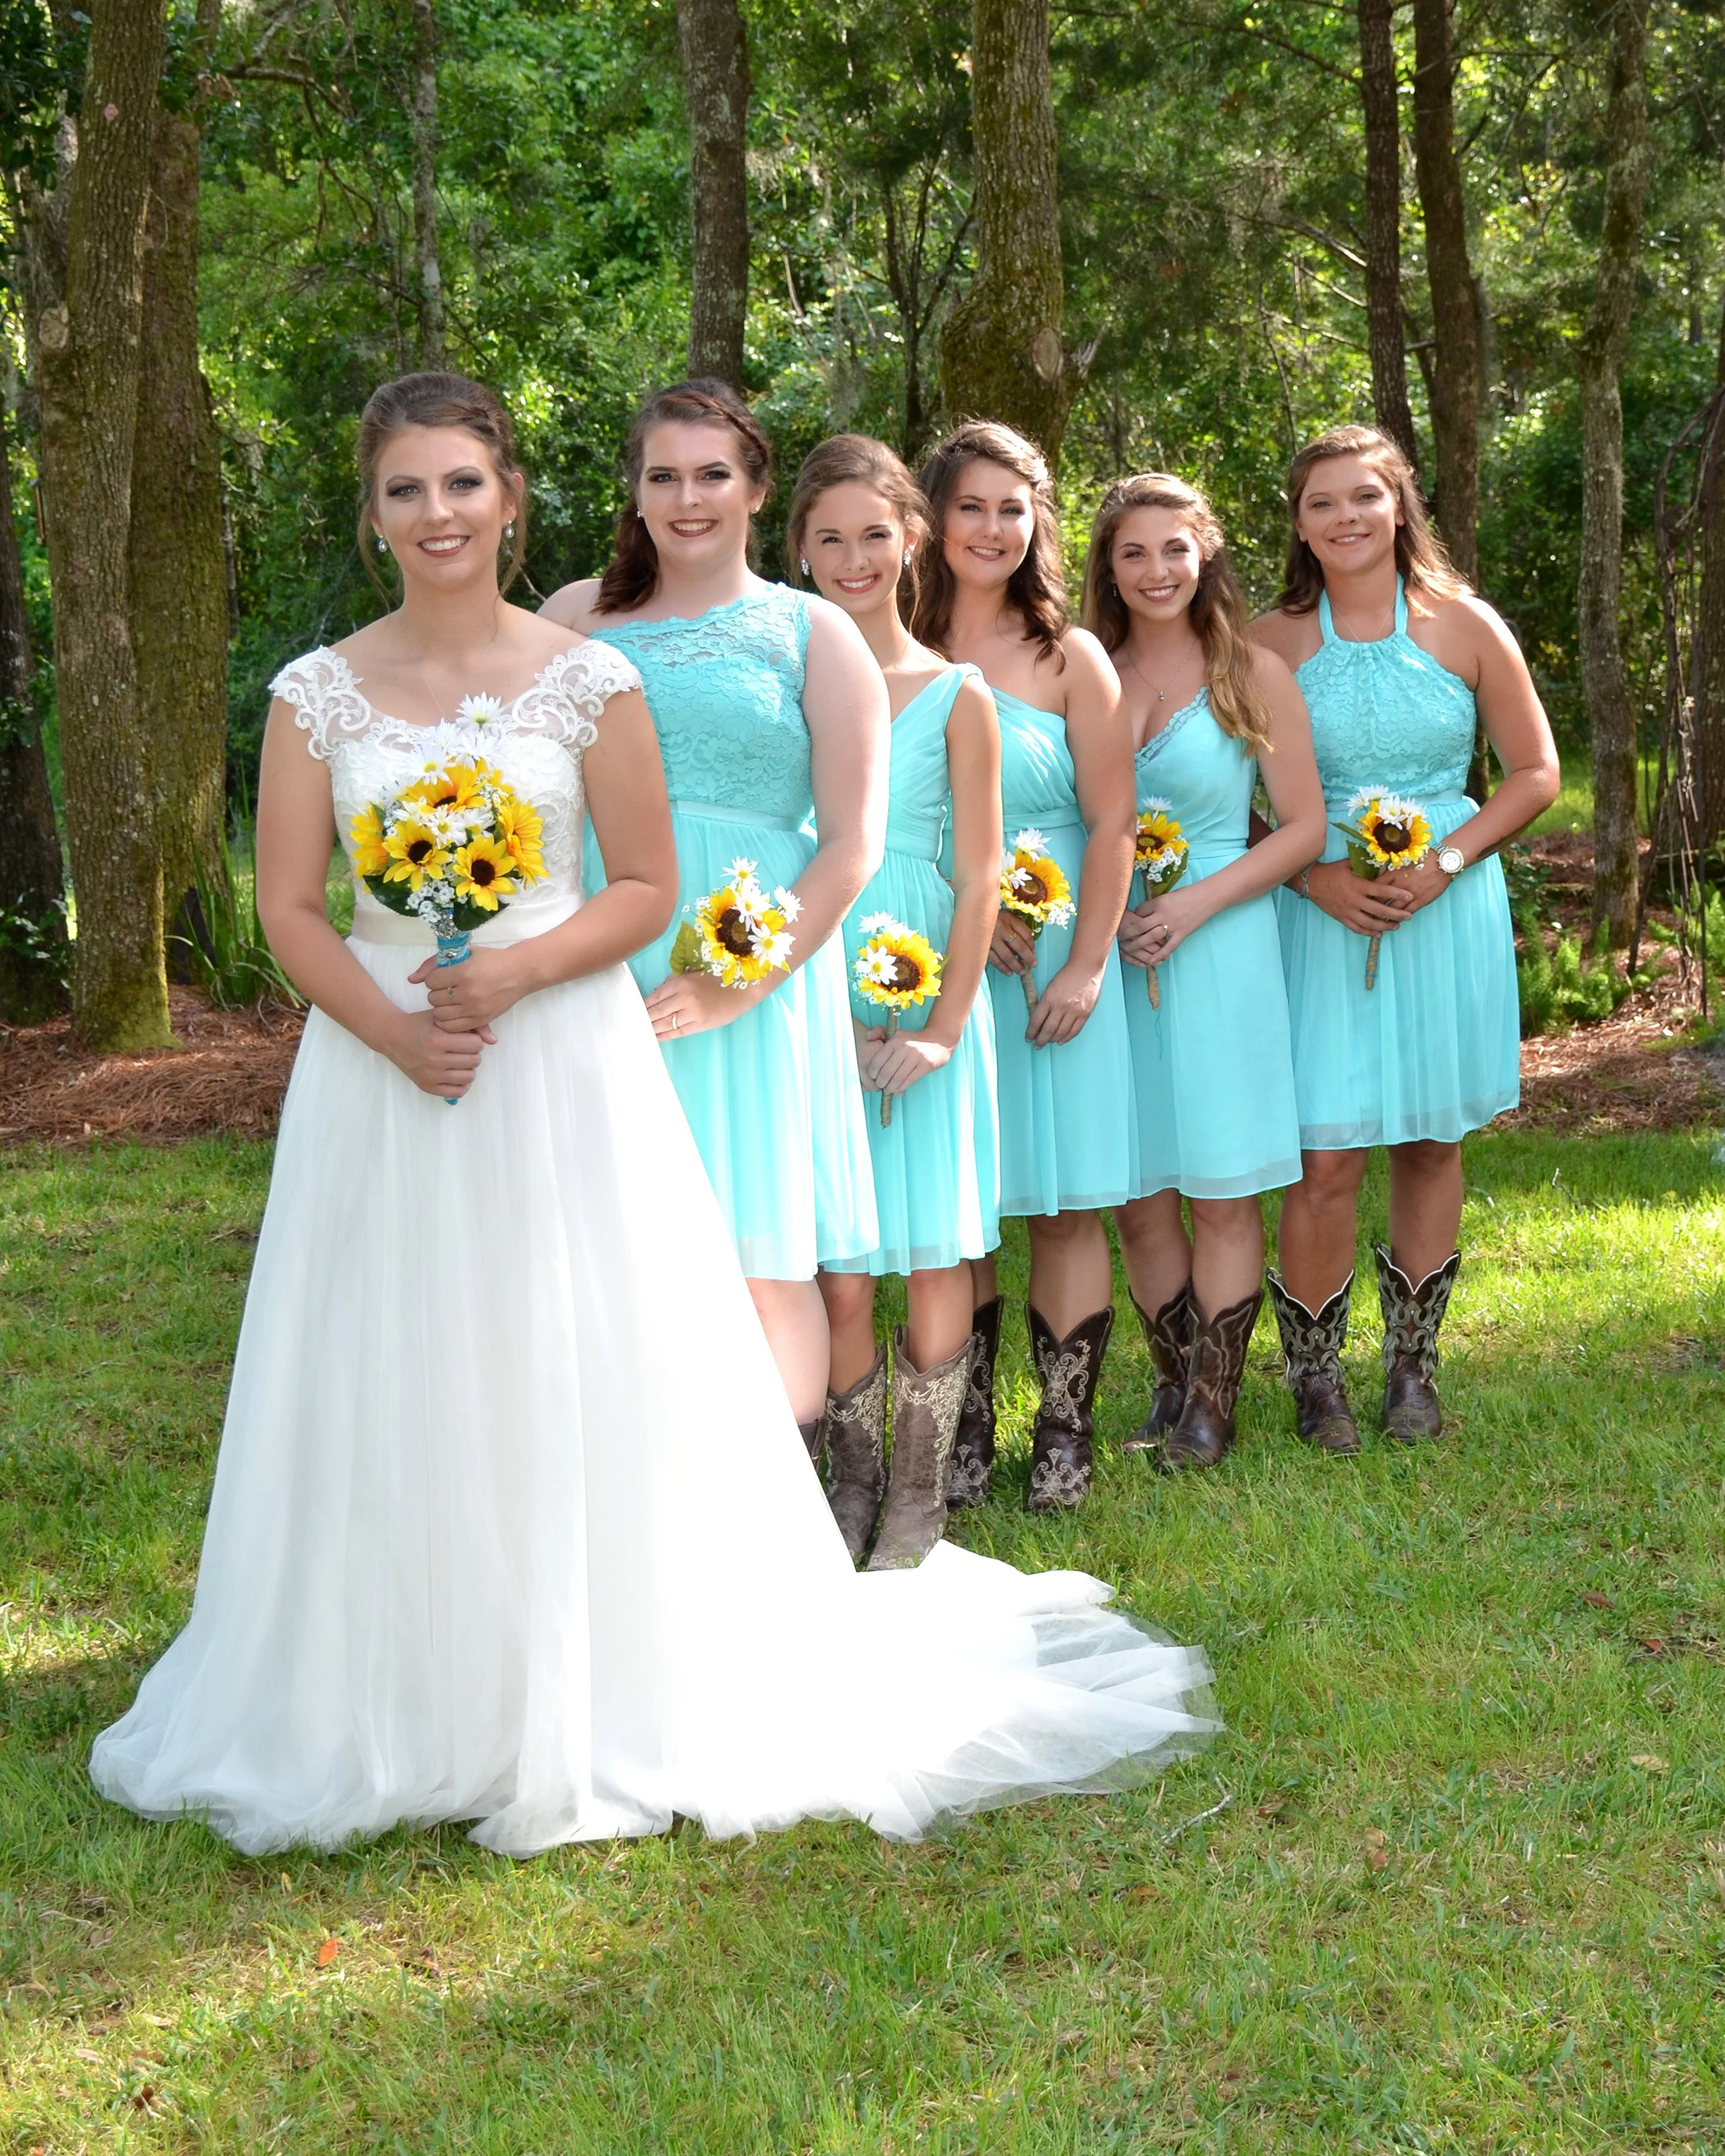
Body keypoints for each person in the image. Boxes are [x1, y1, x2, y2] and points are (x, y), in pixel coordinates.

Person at [88, 373, 1216, 1854]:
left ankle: (610, 1635)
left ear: (513, 496)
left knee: (600, 1323)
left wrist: (509, 982)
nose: (438, 514)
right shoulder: (332, 689)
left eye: (463, 485)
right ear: (373, 515)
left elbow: (645, 879)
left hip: (566, 1041)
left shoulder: (593, 677)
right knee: (391, 1331)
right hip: (377, 1070)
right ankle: (389, 1655)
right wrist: (395, 1025)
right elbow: (291, 903)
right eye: (407, 491)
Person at [540, 381, 885, 1451]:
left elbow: (851, 844)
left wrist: (742, 977)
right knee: (606, 1247)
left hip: (750, 957)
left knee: (758, 1251)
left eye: (713, 475)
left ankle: (782, 1513)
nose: (689, 499)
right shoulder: (570, 619)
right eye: (664, 476)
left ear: (755, 487)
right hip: (596, 944)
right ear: (635, 493)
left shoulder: (813, 631)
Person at [1252, 424, 1560, 1450]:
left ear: (1400, 505)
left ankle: (1413, 1371)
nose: (1345, 518)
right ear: (1298, 524)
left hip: (1445, 908)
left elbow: (1533, 773)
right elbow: (1201, 802)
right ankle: (1316, 1381)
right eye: (1321, 503)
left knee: (1432, 1139)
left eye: (1362, 498)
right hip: (1320, 908)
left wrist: (1447, 864)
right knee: (1324, 1156)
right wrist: (1313, 874)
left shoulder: (1465, 626)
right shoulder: (1271, 640)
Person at [788, 435, 1003, 1568]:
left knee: (928, 1241)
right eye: (828, 538)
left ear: (913, 538)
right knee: (839, 1253)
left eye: (875, 533)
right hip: (812, 971)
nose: (854, 557)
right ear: (800, 553)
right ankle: (849, 1481)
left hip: (924, 975)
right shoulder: (788, 680)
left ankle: (918, 1496)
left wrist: (943, 1026)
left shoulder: (959, 695)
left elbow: (981, 876)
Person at [916, 421, 1137, 1514]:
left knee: (1061, 1204)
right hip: (928, 951)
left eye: (1014, 509)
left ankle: (1063, 1433)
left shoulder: (1070, 656)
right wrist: (955, 908)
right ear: (934, 518)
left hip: (1050, 962)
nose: (993, 529)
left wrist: (1086, 963)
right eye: (972, 507)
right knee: (959, 1208)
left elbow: (1112, 823)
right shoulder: (889, 647)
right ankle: (962, 1428)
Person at [1083, 474, 1325, 1467]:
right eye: (1133, 553)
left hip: (1219, 944)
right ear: (1107, 565)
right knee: (1139, 1190)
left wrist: (1191, 903)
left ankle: (1215, 1406)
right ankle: (1171, 1381)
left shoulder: (1251, 669)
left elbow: (1305, 829)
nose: (1155, 571)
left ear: (1207, 553)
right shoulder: (1082, 667)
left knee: (1221, 1186)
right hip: (1105, 948)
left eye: (1173, 549)